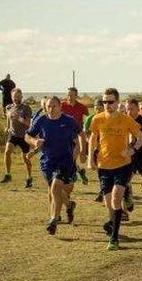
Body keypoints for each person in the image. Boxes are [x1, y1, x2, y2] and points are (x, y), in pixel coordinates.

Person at [88, 88, 142, 251]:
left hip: (123, 165)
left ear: (117, 102)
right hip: (103, 166)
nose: (107, 105)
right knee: (109, 204)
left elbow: (140, 138)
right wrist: (90, 159)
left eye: (110, 102)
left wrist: (132, 150)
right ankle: (113, 223)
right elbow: (93, 138)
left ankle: (114, 238)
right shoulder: (97, 119)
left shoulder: (126, 119)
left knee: (115, 199)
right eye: (104, 102)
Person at [25, 96, 84, 235]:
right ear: (45, 107)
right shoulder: (41, 120)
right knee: (55, 190)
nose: (51, 109)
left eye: (54, 106)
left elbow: (81, 134)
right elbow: (27, 136)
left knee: (56, 187)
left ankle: (53, 219)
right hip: (47, 162)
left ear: (60, 106)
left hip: (65, 160)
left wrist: (80, 151)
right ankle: (69, 205)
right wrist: (34, 142)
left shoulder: (69, 120)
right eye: (48, 106)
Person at [1, 88, 34, 187]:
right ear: (11, 97)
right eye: (14, 96)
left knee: (26, 158)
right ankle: (8, 174)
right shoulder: (8, 107)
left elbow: (29, 123)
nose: (16, 98)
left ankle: (29, 177)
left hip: (24, 136)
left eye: (18, 96)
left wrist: (19, 118)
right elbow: (8, 117)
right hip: (13, 134)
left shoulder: (26, 108)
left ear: (21, 96)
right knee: (7, 152)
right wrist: (7, 127)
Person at [60, 87, 90, 184]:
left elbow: (89, 119)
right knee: (68, 157)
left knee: (72, 157)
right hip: (64, 135)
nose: (69, 97)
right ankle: (80, 171)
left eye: (72, 95)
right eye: (68, 95)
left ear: (76, 96)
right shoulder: (62, 105)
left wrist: (87, 131)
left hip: (77, 135)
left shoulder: (82, 107)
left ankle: (72, 176)